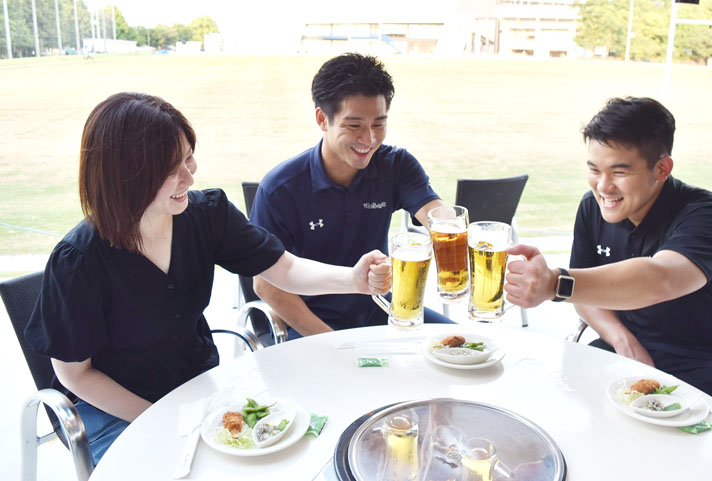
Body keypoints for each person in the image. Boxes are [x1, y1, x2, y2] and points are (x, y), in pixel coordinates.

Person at [23, 92, 391, 464]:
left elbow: (285, 269)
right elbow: (75, 376)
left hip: (196, 387)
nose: (190, 175)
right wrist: (158, 418)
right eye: (170, 169)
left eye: (188, 157)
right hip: (113, 409)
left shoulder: (206, 215)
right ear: (125, 176)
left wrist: (353, 279)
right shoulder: (79, 261)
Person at [504, 97, 712, 414]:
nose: (603, 187)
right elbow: (586, 298)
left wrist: (555, 283)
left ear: (661, 169)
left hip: (705, 365)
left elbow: (661, 279)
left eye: (619, 172)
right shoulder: (592, 208)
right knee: (550, 410)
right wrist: (621, 339)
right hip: (622, 351)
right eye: (594, 170)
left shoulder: (709, 216)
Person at [249, 53, 452, 339]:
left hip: (377, 308)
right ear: (322, 119)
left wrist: (453, 230)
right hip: (306, 322)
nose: (369, 139)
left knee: (465, 346)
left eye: (378, 124)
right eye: (354, 125)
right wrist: (334, 342)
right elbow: (265, 285)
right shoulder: (280, 189)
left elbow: (436, 215)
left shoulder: (396, 165)